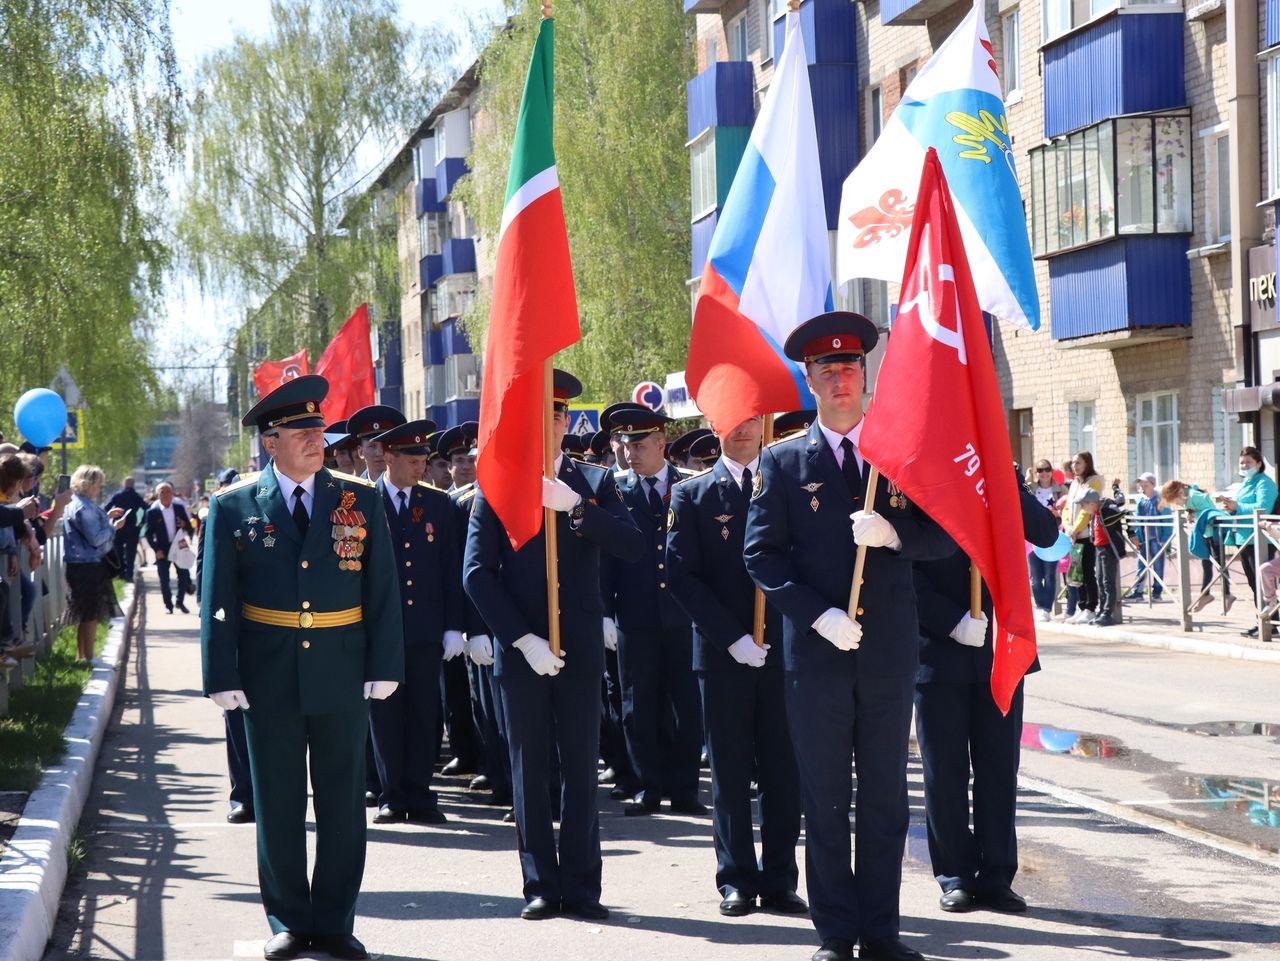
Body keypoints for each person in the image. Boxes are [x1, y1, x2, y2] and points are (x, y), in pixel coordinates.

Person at [743, 311, 955, 961]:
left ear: (866, 375)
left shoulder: (899, 451)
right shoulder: (781, 462)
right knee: (827, 798)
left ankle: (881, 929)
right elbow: (762, 557)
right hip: (818, 660)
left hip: (888, 656)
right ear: (809, 380)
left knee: (887, 798)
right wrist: (817, 614)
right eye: (828, 370)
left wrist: (896, 535)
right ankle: (836, 931)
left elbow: (945, 534)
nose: (841, 379)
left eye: (851, 367)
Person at [201, 375, 403, 961]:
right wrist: (222, 672)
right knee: (279, 801)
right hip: (269, 672)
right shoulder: (234, 505)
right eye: (303, 431)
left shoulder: (357, 499)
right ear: (272, 442)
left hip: (342, 667)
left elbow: (381, 587)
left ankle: (335, 919)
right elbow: (219, 596)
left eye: (319, 429)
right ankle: (289, 917)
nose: (318, 439)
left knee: (343, 800)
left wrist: (384, 661)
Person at [463, 369, 643, 921]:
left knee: (582, 769)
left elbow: (634, 545)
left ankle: (584, 885)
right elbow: (476, 573)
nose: (553, 422)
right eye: (544, 413)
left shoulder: (595, 481)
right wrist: (521, 638)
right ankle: (540, 883)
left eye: (561, 413)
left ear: (569, 421)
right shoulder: (499, 483)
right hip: (524, 655)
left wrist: (578, 511)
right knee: (530, 770)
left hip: (581, 648)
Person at [667, 414, 805, 918]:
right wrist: (733, 638)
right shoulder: (694, 494)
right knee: (727, 772)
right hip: (724, 656)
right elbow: (682, 577)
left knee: (782, 771)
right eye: (732, 419)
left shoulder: (786, 483)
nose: (743, 429)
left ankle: (780, 878)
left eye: (752, 419)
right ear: (712, 423)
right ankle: (736, 878)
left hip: (784, 652)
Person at [913, 470, 1057, 916]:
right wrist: (949, 620)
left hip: (999, 649)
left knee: (998, 769)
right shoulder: (920, 470)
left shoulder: (996, 471)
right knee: (945, 772)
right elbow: (902, 569)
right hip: (938, 651)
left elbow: (1046, 531)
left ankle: (997, 876)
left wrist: (1001, 481)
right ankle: (955, 875)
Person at [603, 404, 705, 817]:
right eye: (625, 445)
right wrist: (603, 611)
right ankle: (647, 786)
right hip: (634, 614)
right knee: (637, 704)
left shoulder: (688, 487)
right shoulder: (613, 490)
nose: (631, 453)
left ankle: (684, 789)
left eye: (640, 444)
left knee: (686, 704)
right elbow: (604, 556)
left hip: (683, 614)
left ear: (661, 443)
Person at [368, 419, 464, 824]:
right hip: (380, 632)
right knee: (385, 714)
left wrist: (454, 626)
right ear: (388, 457)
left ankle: (421, 793)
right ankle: (392, 793)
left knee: (426, 714)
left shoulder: (439, 504)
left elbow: (451, 569)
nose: (420, 465)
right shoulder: (363, 502)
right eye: (411, 457)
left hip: (426, 629)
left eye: (423, 457)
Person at [63, 465, 127, 661]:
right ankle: (88, 657)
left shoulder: (75, 504)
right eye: (98, 485)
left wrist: (106, 518)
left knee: (84, 613)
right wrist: (113, 527)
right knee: (90, 614)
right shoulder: (84, 507)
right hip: (87, 566)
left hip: (78, 564)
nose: (99, 489)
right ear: (88, 485)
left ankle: (82, 656)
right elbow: (96, 538)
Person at [1218, 446, 1278, 637]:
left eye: (1248, 462)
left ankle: (1270, 622)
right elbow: (1242, 507)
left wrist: (1238, 506)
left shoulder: (1264, 482)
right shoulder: (1247, 482)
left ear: (1258, 464)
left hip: (1260, 538)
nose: (1244, 466)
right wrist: (1231, 508)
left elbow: (1263, 507)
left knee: (1262, 581)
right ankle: (1265, 620)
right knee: (1254, 583)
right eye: (1242, 463)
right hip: (1244, 538)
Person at [1160, 480, 1229, 612]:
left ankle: (1226, 594)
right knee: (1207, 564)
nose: (1176, 504)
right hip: (1205, 534)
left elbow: (1210, 512)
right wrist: (1191, 514)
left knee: (1220, 564)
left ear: (1178, 493)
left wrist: (1194, 515)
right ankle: (1206, 594)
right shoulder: (1188, 498)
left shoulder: (1194, 496)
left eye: (1174, 500)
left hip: (1214, 533)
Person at [1075, 487, 1126, 626]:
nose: (1082, 508)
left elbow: (1121, 512)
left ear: (1091, 503)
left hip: (1109, 548)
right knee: (1100, 581)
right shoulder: (1096, 512)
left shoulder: (1106, 510)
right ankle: (1101, 611)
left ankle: (1107, 613)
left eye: (1083, 505)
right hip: (1098, 548)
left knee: (1108, 582)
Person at [1062, 452, 1103, 623]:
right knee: (1076, 572)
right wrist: (1068, 526)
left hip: (1086, 534)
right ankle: (1081, 606)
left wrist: (1076, 529)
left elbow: (1087, 510)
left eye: (1078, 462)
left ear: (1087, 463)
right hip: (1072, 534)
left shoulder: (1093, 481)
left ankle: (1091, 607)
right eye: (1073, 463)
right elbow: (1066, 508)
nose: (1075, 466)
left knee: (1087, 571)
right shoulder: (1074, 484)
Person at [145, 482, 195, 614]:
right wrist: (156, 550)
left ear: (172, 493)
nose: (166, 495)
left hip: (178, 547)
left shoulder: (179, 508)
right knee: (164, 579)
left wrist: (184, 524)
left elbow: (190, 527)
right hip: (162, 549)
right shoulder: (152, 512)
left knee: (184, 575)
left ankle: (180, 601)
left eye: (168, 492)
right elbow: (148, 534)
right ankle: (168, 605)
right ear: (158, 495)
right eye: (162, 492)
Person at [1026, 459, 1064, 620]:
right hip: (1032, 537)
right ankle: (1039, 606)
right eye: (1040, 470)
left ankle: (1046, 608)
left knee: (1049, 575)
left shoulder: (1060, 489)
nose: (1044, 473)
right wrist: (1028, 478)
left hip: (1053, 536)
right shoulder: (1032, 488)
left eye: (1047, 469)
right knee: (1035, 577)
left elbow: (1066, 509)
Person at [1125, 472, 1171, 602]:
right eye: (1141, 485)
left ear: (1153, 485)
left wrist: (1165, 538)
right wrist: (1137, 536)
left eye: (1146, 485)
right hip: (1144, 538)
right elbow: (1138, 520)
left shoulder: (1160, 500)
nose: (1143, 487)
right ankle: (1138, 592)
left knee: (1158, 564)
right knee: (1141, 563)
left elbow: (1167, 521)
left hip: (1157, 538)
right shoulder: (1141, 500)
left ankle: (1157, 592)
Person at [345, 405, 405, 483]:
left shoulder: (410, 489)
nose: (379, 453)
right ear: (361, 452)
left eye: (384, 445)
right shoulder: (351, 491)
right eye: (372, 446)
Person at [104, 476, 146, 581]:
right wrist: (141, 523)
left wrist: (111, 518)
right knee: (131, 552)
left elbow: (107, 508)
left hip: (119, 526)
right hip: (132, 527)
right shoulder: (136, 496)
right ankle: (129, 574)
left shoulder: (118, 496)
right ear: (133, 484)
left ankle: (121, 573)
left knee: (119, 551)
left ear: (124, 484)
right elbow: (146, 508)